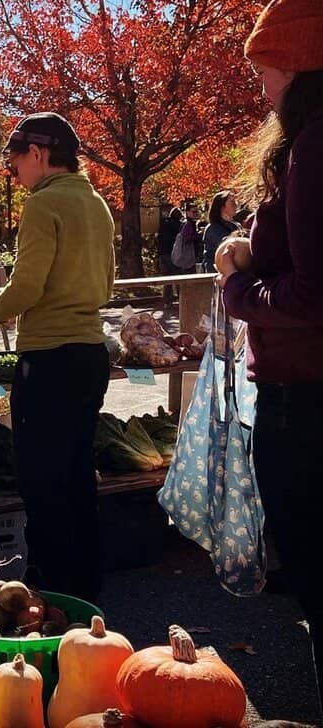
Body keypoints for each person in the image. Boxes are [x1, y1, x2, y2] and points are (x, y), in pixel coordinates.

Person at [0, 112, 116, 602]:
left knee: (42, 479)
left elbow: (27, 285)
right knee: (77, 472)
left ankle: (48, 592)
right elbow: (106, 284)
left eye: (16, 159)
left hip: (48, 357)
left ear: (40, 154)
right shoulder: (97, 203)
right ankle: (86, 588)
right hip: (90, 353)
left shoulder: (44, 206)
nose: (13, 171)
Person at [217, 0, 323, 710]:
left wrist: (238, 283)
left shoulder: (314, 146)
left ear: (299, 64)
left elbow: (314, 295)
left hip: (306, 404)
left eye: (266, 71)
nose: (261, 90)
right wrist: (263, 248)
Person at [202, 190, 241, 272]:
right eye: (232, 202)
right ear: (222, 207)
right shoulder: (213, 229)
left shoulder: (236, 225)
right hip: (219, 273)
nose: (236, 205)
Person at [156, 206, 183, 306]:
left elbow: (158, 239)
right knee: (178, 278)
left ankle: (167, 301)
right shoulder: (179, 226)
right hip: (173, 254)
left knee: (167, 279)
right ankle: (181, 300)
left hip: (162, 253)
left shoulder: (163, 225)